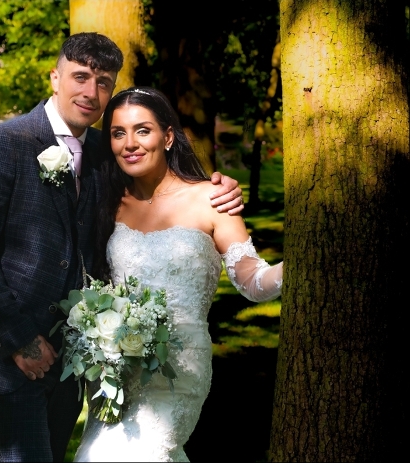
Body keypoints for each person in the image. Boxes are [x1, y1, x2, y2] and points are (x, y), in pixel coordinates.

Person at [0, 33, 244, 463]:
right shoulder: (6, 143)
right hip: (10, 353)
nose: (91, 92)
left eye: (104, 82)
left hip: (77, 359)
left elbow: (157, 194)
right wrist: (19, 340)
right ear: (55, 78)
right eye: (81, 76)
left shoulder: (106, 153)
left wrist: (216, 189)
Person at [73, 86, 284, 462]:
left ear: (167, 137)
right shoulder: (110, 203)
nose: (130, 143)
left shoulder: (212, 198)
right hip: (116, 372)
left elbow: (251, 280)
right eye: (118, 133)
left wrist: (296, 266)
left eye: (142, 130)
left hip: (179, 370)